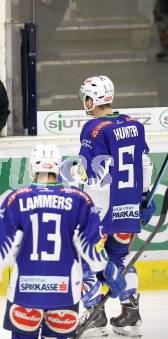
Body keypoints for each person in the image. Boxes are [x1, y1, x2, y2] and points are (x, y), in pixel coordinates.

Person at [0, 143, 127, 339]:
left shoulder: (16, 199)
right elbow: (92, 247)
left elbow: (2, 245)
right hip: (65, 291)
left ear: (32, 168)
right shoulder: (79, 199)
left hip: (25, 291)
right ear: (59, 168)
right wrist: (106, 271)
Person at [75, 75, 156, 337]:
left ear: (92, 99)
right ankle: (130, 316)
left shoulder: (94, 129)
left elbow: (91, 172)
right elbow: (144, 164)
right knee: (120, 258)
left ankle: (94, 317)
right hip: (128, 205)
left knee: (87, 258)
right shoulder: (134, 125)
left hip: (101, 207)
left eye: (85, 97)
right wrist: (144, 197)